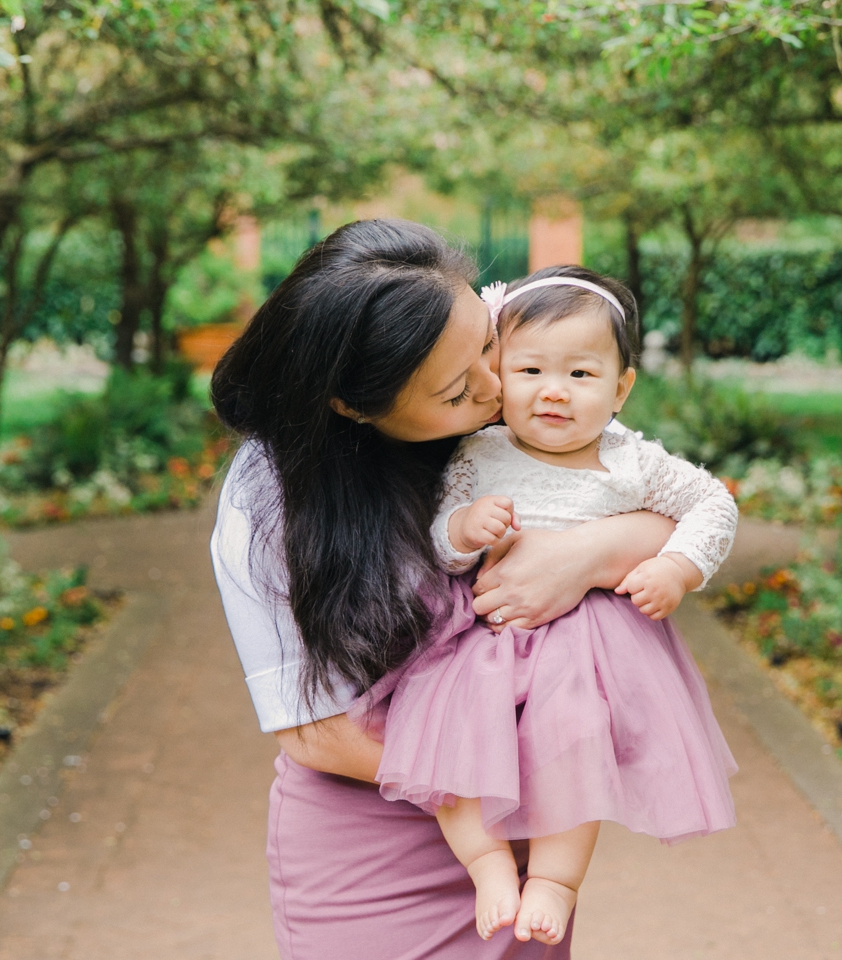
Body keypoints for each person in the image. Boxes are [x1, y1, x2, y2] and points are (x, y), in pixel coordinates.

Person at [209, 220, 679, 960]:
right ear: (352, 406)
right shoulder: (270, 500)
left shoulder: (507, 416)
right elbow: (312, 729)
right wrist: (515, 764)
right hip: (375, 840)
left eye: (488, 346)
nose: (499, 391)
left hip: (519, 843)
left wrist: (587, 554)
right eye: (461, 390)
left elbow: (665, 512)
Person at [363, 266, 739, 947]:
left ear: (621, 388)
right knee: (456, 745)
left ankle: (557, 881)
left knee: (575, 742)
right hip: (486, 642)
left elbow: (713, 504)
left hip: (587, 651)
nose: (553, 393)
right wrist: (465, 528)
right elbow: (439, 534)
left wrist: (678, 569)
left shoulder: (633, 461)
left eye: (582, 375)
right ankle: (488, 867)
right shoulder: (479, 452)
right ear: (498, 375)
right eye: (531, 370)